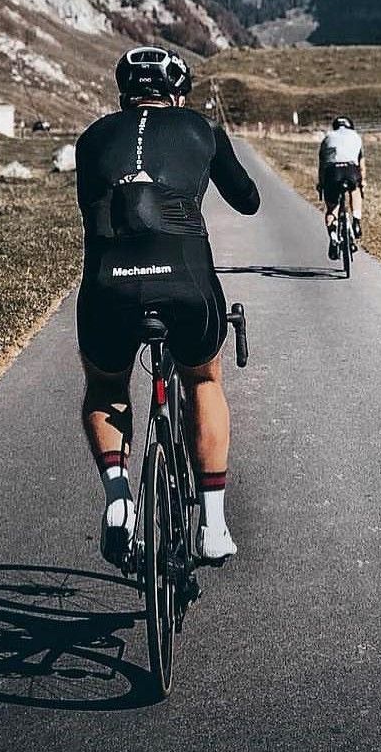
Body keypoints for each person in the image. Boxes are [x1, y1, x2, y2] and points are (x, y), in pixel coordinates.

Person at [75, 46, 261, 567]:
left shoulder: (92, 138)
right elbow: (248, 201)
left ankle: (118, 498)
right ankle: (214, 524)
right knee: (202, 380)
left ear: (124, 95)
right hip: (186, 281)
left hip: (109, 283)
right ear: (177, 93)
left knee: (106, 385)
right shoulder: (199, 128)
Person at [317, 116, 366, 259]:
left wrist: (321, 183)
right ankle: (356, 220)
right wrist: (362, 181)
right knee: (355, 190)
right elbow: (361, 165)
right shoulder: (356, 137)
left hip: (333, 172)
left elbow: (323, 165)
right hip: (351, 170)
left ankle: (333, 236)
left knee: (332, 209)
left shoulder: (328, 137)